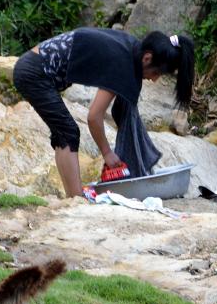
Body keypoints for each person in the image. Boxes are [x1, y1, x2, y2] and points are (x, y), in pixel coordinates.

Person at [12, 27, 195, 199]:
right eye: (156, 72)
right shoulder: (123, 63)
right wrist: (107, 153)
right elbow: (94, 117)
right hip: (34, 72)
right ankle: (76, 200)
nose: (154, 79)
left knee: (64, 133)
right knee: (68, 132)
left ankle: (74, 198)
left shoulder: (130, 50)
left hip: (36, 69)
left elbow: (117, 110)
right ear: (147, 58)